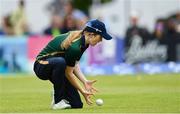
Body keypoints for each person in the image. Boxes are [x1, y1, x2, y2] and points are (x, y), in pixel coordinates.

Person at [33, 19, 112, 109]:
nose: (101, 40)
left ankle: (57, 91)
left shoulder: (84, 43)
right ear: (91, 34)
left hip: (57, 66)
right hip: (41, 65)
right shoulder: (75, 46)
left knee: (77, 104)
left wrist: (84, 81)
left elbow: (74, 64)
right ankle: (58, 101)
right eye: (100, 37)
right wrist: (82, 91)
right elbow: (68, 73)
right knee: (61, 62)